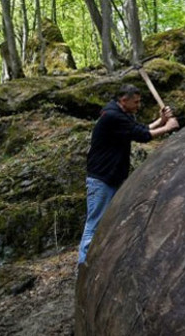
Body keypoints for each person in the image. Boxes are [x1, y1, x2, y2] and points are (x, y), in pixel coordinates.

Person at [77, 84, 179, 265]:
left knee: (110, 220)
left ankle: (103, 259)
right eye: (136, 102)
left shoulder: (118, 113)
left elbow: (138, 128)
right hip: (102, 179)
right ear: (124, 100)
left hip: (112, 176)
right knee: (95, 222)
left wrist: (161, 120)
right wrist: (167, 127)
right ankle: (84, 264)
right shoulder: (112, 116)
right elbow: (142, 136)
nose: (139, 105)